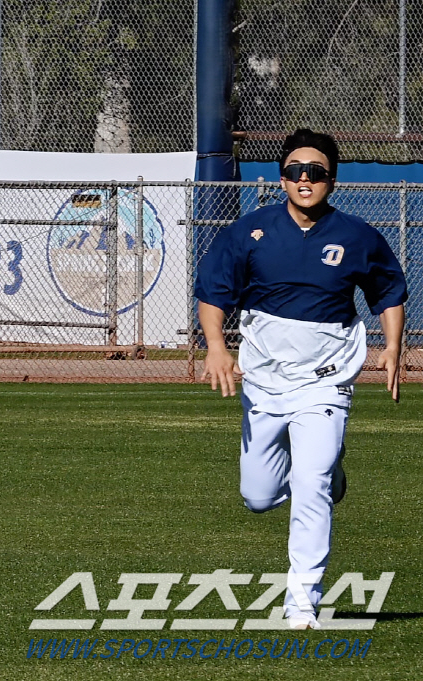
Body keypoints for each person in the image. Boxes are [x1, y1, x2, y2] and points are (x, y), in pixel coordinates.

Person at [195, 128, 407, 630]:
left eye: (314, 172)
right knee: (259, 496)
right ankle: (328, 473)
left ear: (332, 180)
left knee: (308, 486)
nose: (304, 179)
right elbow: (213, 291)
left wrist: (394, 347)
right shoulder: (248, 231)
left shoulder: (358, 236)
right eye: (294, 171)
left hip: (326, 378)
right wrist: (217, 347)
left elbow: (388, 292)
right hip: (265, 380)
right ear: (282, 177)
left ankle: (302, 601)